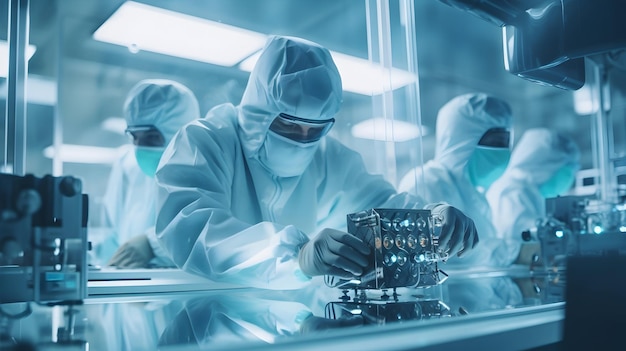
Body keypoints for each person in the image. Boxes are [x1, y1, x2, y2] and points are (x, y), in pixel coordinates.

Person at [154, 35, 478, 290]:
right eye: (289, 125)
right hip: (210, 308)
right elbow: (191, 229)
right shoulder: (207, 141)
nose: (303, 138)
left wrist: (429, 217)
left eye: (316, 128)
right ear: (259, 113)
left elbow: (383, 204)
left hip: (295, 314)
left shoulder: (328, 157)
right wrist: (295, 255)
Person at [398, 93, 513, 265]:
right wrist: (513, 253)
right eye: (496, 143)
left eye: (506, 143)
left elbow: (484, 275)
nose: (503, 152)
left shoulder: (478, 197)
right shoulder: (426, 181)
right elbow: (446, 264)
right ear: (464, 141)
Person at [101, 79, 200, 268]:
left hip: (183, 290)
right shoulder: (127, 164)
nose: (140, 147)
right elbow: (110, 234)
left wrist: (154, 244)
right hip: (128, 288)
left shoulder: (205, 167)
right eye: (134, 137)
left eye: (152, 138)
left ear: (180, 135)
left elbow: (207, 235)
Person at [486, 128, 580, 264]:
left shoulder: (530, 192)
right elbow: (522, 246)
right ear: (544, 165)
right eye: (567, 169)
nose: (570, 178)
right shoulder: (512, 192)